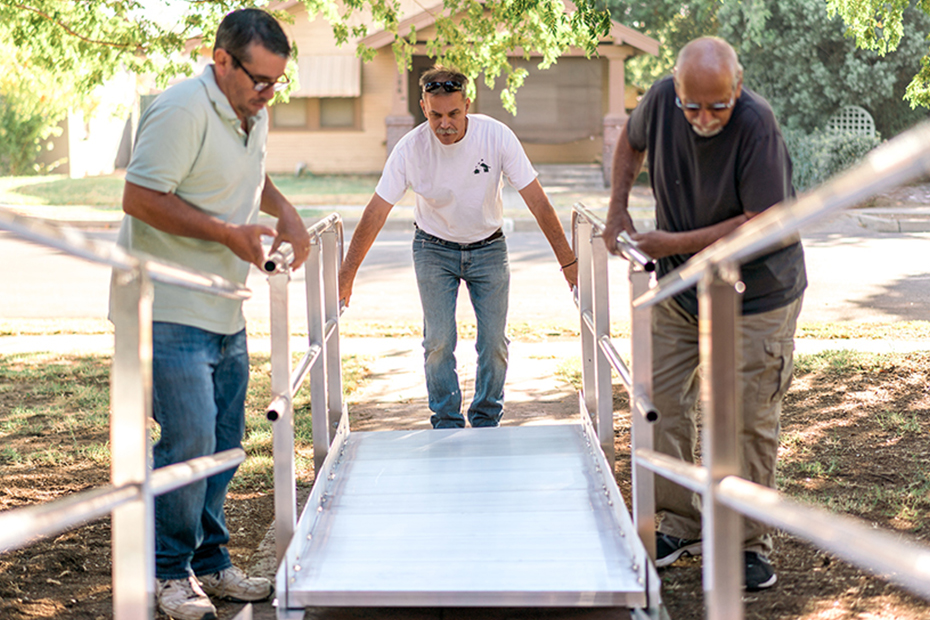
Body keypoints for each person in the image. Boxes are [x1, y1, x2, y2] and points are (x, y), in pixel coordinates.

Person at [109, 9, 310, 620]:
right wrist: (227, 235)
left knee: (223, 442)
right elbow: (140, 197)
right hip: (165, 305)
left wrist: (287, 213)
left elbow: (254, 173)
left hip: (225, 306)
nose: (269, 92)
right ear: (222, 60)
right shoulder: (180, 109)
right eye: (260, 80)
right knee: (188, 439)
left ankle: (209, 564)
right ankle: (167, 572)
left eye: (277, 81)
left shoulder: (252, 110)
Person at [603, 37, 807, 591]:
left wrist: (672, 240)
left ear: (737, 89)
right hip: (682, 287)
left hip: (758, 292)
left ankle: (746, 544)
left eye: (717, 106)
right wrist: (618, 204)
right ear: (676, 92)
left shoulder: (756, 124)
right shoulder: (663, 100)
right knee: (661, 403)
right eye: (693, 106)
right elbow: (631, 140)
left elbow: (761, 221)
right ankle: (680, 522)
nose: (704, 118)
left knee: (745, 417)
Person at [338, 66, 578, 429]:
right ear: (423, 107)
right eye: (436, 115)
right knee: (438, 341)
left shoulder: (496, 137)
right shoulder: (410, 149)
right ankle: (446, 420)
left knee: (494, 342)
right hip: (433, 248)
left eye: (453, 113)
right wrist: (346, 275)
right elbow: (375, 212)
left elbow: (538, 202)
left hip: (489, 248)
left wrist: (570, 265)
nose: (445, 124)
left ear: (468, 105)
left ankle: (486, 418)